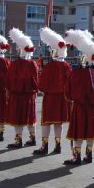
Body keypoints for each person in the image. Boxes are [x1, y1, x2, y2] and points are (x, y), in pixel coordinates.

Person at [63, 29, 94, 165]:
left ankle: (77, 156)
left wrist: (70, 98)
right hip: (93, 107)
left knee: (78, 131)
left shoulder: (77, 73)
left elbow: (68, 91)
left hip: (80, 107)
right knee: (91, 131)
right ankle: (89, 154)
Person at [34, 27, 71, 156]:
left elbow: (42, 84)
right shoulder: (67, 66)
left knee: (46, 122)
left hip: (50, 98)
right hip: (62, 98)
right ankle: (58, 145)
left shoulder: (50, 66)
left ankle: (44, 146)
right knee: (58, 123)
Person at [5, 28, 40, 149]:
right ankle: (32, 138)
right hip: (29, 95)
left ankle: (18, 140)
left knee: (18, 117)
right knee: (30, 117)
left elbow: (9, 80)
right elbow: (36, 81)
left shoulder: (15, 64)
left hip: (17, 94)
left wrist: (8, 91)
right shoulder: (33, 64)